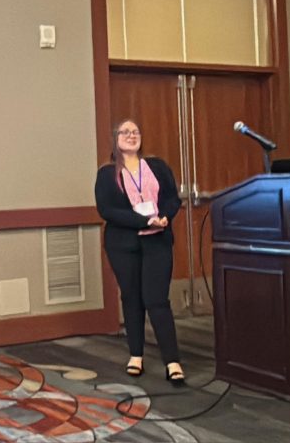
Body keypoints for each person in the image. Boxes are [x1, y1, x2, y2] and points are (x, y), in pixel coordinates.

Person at [94, 119, 186, 385]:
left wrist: (165, 216)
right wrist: (144, 221)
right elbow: (107, 210)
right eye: (125, 132)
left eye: (135, 132)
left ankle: (172, 361)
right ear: (115, 139)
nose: (131, 136)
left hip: (157, 241)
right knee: (132, 297)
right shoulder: (106, 173)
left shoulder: (157, 166)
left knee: (157, 299)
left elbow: (171, 198)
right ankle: (136, 355)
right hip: (123, 244)